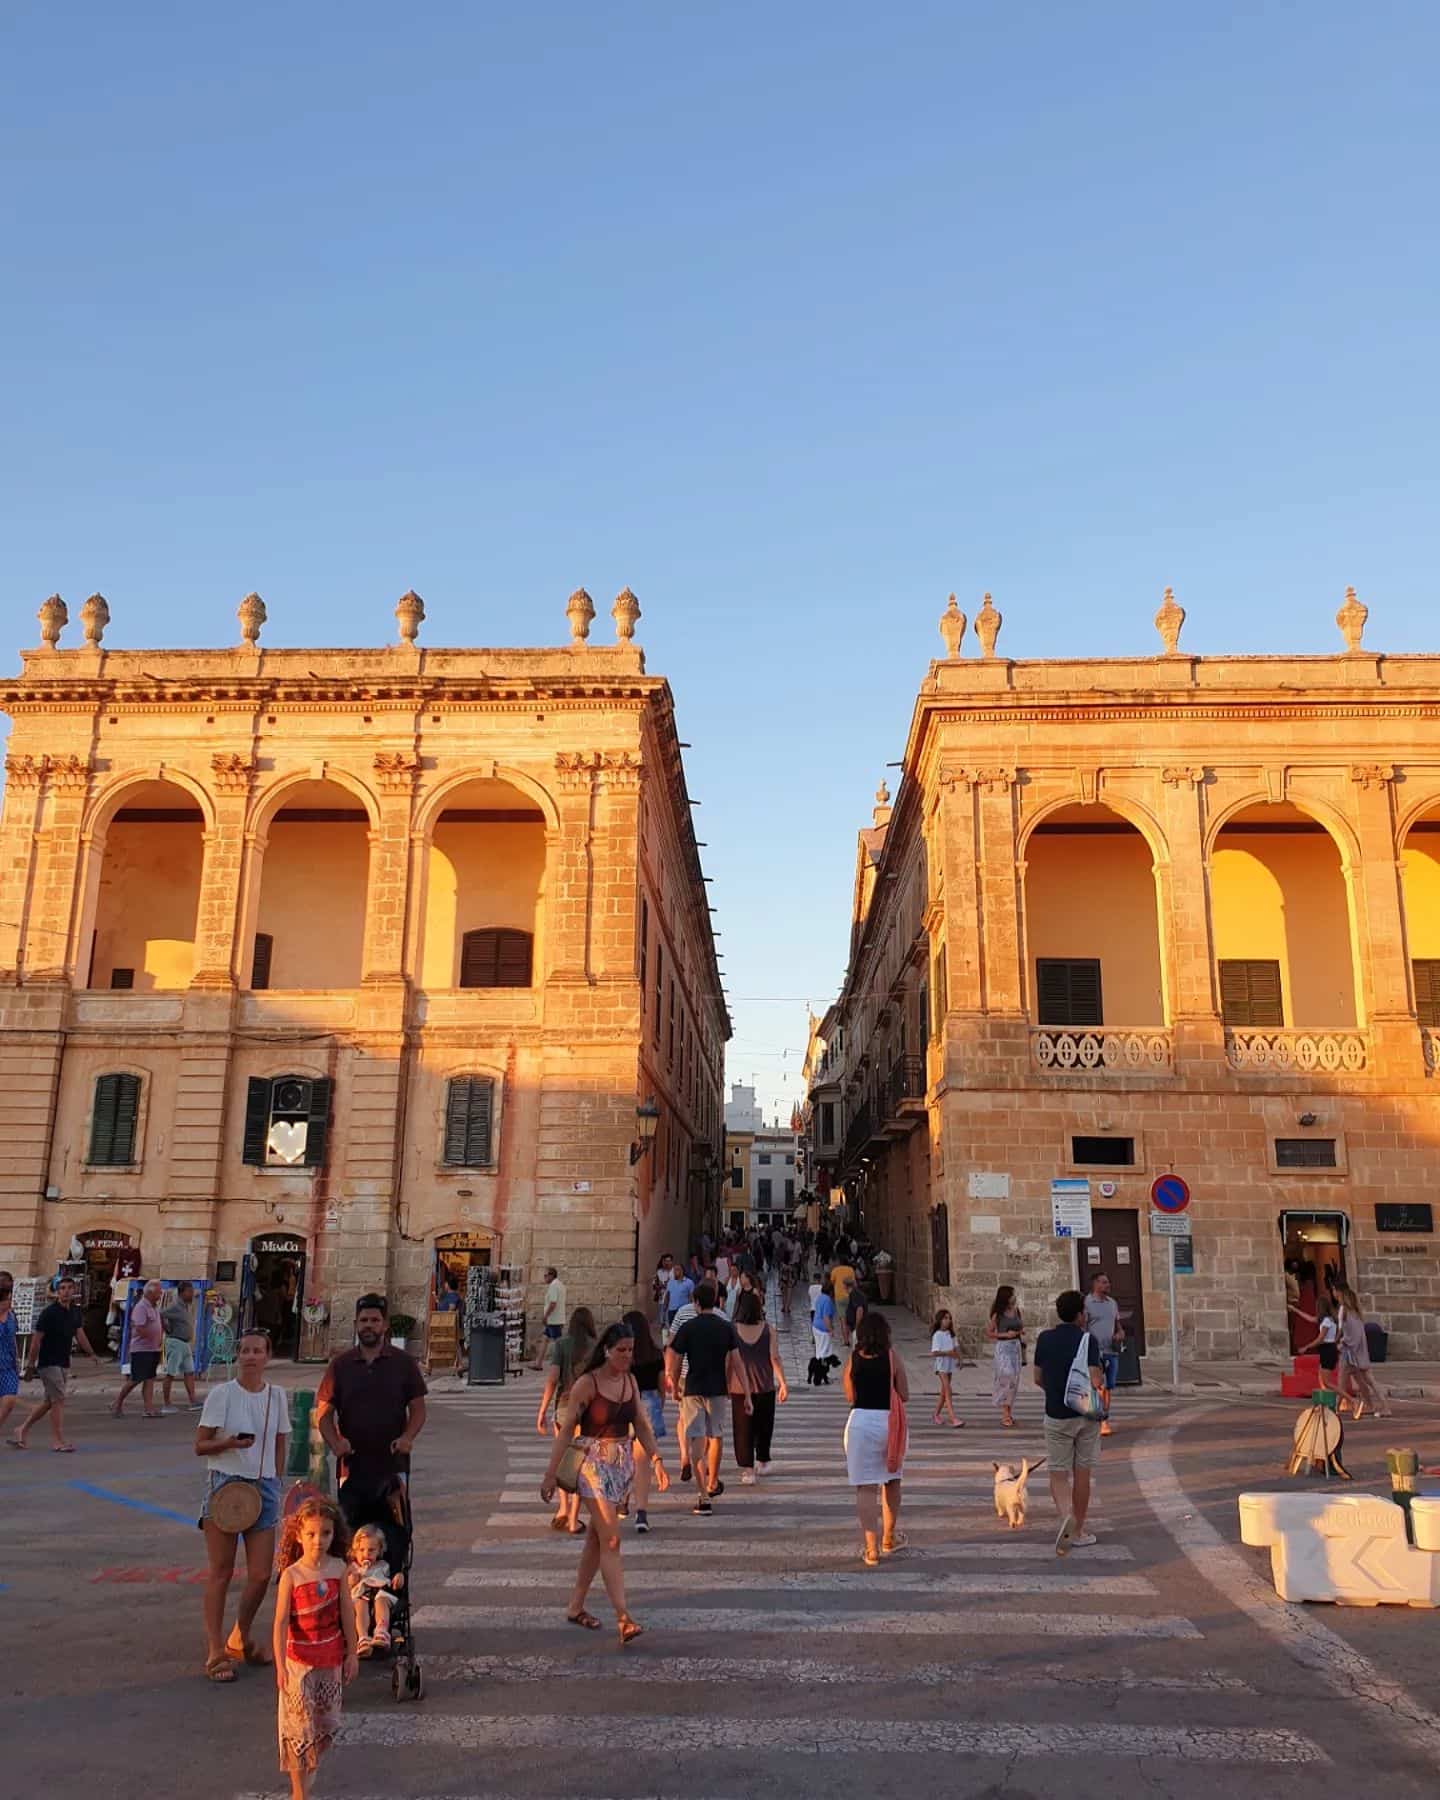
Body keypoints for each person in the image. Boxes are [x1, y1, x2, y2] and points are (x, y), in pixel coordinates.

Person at [540, 1321, 669, 1645]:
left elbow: (640, 1422)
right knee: (611, 1540)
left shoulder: (629, 1382)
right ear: (607, 1351)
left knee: (597, 1540)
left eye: (630, 1350)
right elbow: (568, 1429)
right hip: (592, 1467)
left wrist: (656, 1460)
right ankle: (623, 1617)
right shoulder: (588, 1384)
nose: (627, 1355)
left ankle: (575, 1606)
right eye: (621, 1350)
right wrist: (551, 1474)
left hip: (620, 1464)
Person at [196, 1324, 290, 1682]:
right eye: (245, 1350)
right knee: (220, 1571)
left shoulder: (276, 1396)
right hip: (227, 1486)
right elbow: (199, 1445)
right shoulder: (222, 1394)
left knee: (262, 1574)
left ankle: (242, 1633)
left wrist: (277, 1480)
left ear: (268, 1356)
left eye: (257, 1351)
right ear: (238, 1356)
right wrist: (230, 1444)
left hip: (264, 1486)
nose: (251, 1357)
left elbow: (281, 1440)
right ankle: (215, 1649)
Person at [316, 1294, 429, 1526]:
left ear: (385, 1325)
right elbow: (324, 1415)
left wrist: (407, 1437)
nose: (369, 1325)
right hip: (351, 1467)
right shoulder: (340, 1365)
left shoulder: (404, 1363)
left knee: (395, 1538)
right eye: (364, 1320)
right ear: (356, 1324)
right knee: (351, 1538)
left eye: (375, 1320)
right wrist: (336, 1442)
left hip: (393, 1466)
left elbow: (418, 1409)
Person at [273, 1494, 358, 1799]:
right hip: (299, 1664)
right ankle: (299, 1793)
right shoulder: (292, 1575)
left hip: (329, 1660)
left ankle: (306, 1779)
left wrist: (352, 1652)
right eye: (310, 1534)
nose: (317, 1540)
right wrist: (281, 1665)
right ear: (298, 1535)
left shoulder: (338, 1569)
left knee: (323, 1726)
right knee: (297, 1731)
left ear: (335, 1534)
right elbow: (281, 1621)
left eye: (325, 1533)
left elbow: (347, 1612)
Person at [1033, 1290, 1105, 1555]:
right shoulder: (1088, 1340)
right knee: (1082, 1472)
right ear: (1079, 1315)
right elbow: (1096, 1380)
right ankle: (1079, 1530)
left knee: (1058, 1472)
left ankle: (1066, 1516)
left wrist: (1056, 1391)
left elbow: (1037, 1378)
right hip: (1084, 1415)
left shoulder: (1044, 1339)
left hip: (1056, 1414)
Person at [666, 1282, 746, 1515]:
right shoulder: (725, 1327)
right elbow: (736, 1362)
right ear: (716, 1301)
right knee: (716, 1435)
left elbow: (677, 1358)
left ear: (696, 1302)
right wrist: (746, 1392)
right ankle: (713, 1480)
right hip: (718, 1388)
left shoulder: (689, 1327)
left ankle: (702, 1496)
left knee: (697, 1441)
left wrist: (673, 1386)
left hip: (693, 1388)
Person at [843, 1310, 908, 1567]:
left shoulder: (853, 1359)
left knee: (865, 1487)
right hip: (888, 1423)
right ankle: (889, 1538)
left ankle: (871, 1550)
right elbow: (904, 1393)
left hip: (860, 1423)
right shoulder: (893, 1358)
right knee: (891, 1482)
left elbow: (850, 1395)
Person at [12, 1275, 99, 1451]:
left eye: (69, 1288)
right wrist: (30, 1365)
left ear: (74, 1290)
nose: (66, 1291)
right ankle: (57, 1441)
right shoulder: (49, 1313)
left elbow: (79, 1334)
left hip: (63, 1362)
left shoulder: (75, 1311)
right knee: (59, 1400)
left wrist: (92, 1353)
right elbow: (36, 1341)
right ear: (57, 1292)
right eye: (62, 1288)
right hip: (48, 1362)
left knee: (49, 1401)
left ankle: (21, 1429)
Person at [535, 1305, 597, 1532]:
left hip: (563, 1407)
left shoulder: (561, 1345)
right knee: (580, 1464)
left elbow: (552, 1379)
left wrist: (542, 1410)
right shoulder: (595, 1348)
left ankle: (562, 1508)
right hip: (589, 1410)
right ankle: (573, 1517)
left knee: (564, 1461)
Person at [731, 1289, 788, 1480]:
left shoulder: (733, 1330)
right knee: (764, 1425)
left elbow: (728, 1359)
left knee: (742, 1429)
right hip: (764, 1386)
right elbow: (775, 1358)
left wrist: (725, 1382)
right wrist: (783, 1382)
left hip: (740, 1388)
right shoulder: (768, 1330)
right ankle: (763, 1462)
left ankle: (748, 1470)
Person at [621, 1309, 667, 1533]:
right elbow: (662, 1387)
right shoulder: (657, 1354)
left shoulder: (624, 1356)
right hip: (649, 1404)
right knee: (641, 1461)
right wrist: (659, 1407)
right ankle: (641, 1512)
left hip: (627, 1403)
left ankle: (623, 1501)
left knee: (623, 1457)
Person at [113, 1277, 165, 1418]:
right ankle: (117, 1403)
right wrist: (152, 1337)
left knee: (149, 1378)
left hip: (153, 1348)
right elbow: (139, 1328)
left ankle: (149, 1408)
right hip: (142, 1349)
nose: (160, 1295)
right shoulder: (141, 1307)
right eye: (159, 1293)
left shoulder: (154, 1307)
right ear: (149, 1293)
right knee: (136, 1378)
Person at [347, 1522, 402, 1654]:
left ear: (379, 1551)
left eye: (371, 1550)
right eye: (361, 1550)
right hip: (361, 1594)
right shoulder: (353, 1567)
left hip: (381, 1593)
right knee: (360, 1606)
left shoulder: (383, 1565)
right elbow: (344, 1585)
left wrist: (399, 1577)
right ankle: (363, 1637)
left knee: (381, 1602)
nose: (366, 1554)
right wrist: (350, 1581)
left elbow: (394, 1575)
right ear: (355, 1550)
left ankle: (381, 1631)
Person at [1335, 1284, 1388, 1419]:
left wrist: (1339, 1343)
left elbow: (1344, 1333)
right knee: (1367, 1381)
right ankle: (1377, 1405)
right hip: (1360, 1352)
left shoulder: (1344, 1311)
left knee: (1342, 1382)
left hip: (1350, 1353)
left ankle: (1335, 1409)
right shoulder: (1357, 1313)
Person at [1082, 1272, 1123, 1437]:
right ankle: (1102, 1420)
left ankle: (1103, 1417)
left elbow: (1118, 1325)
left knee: (1108, 1388)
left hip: (1111, 1350)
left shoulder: (1112, 1303)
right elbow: (1082, 1327)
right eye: (1104, 1283)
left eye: (1108, 1282)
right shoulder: (1086, 1303)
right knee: (1099, 1386)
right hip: (1095, 1351)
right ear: (1096, 1284)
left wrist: (1120, 1334)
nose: (1108, 1285)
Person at [987, 1286, 1025, 1428]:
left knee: (1014, 1380)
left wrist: (1020, 1333)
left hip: (1015, 1347)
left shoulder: (1017, 1311)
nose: (1014, 1297)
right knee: (1006, 1377)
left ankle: (1008, 1412)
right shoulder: (998, 1314)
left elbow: (1020, 1327)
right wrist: (1004, 1335)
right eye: (1011, 1295)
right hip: (1003, 1347)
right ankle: (1004, 1413)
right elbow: (989, 1332)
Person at [162, 1281, 201, 1411]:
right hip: (175, 1343)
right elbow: (160, 1314)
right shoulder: (175, 1306)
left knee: (189, 1372)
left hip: (185, 1344)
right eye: (189, 1292)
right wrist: (166, 1328)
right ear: (181, 1293)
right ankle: (167, 1403)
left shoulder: (186, 1306)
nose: (191, 1294)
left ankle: (193, 1401)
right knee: (171, 1373)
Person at [1298, 1296, 1340, 1393]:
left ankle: (1350, 1400)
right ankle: (1326, 1401)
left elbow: (1320, 1339)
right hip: (1328, 1349)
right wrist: (1296, 1310)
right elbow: (1310, 1318)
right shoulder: (1329, 1319)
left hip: (1328, 1350)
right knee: (1321, 1378)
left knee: (1327, 1382)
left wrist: (1306, 1347)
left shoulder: (1326, 1321)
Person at [929, 1308, 962, 1428]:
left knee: (944, 1392)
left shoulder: (951, 1334)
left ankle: (936, 1414)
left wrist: (960, 1359)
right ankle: (953, 1418)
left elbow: (957, 1347)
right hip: (941, 1366)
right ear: (940, 1320)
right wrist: (948, 1353)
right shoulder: (937, 1335)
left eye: (949, 1318)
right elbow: (934, 1353)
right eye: (945, 1318)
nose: (948, 1320)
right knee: (948, 1390)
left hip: (950, 1365)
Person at [0, 1275, 20, 1439]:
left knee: (10, 1401)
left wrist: (17, 1358)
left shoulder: (12, 1317)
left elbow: (13, 1338)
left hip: (8, 1365)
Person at [829, 1254, 857, 1345]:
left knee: (842, 1319)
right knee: (849, 1318)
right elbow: (854, 1283)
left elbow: (832, 1282)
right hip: (850, 1297)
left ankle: (846, 1340)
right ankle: (849, 1336)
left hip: (839, 1297)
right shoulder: (851, 1270)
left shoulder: (835, 1270)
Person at [812, 1275, 838, 1363]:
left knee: (819, 1349)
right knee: (825, 1351)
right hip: (823, 1329)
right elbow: (826, 1317)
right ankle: (822, 1369)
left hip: (816, 1326)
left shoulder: (821, 1297)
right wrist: (830, 1330)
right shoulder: (827, 1300)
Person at [664, 1263, 695, 1329]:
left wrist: (692, 1310)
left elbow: (692, 1297)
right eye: (674, 1270)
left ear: (682, 1271)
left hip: (683, 1311)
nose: (675, 1271)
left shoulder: (689, 1282)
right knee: (672, 1329)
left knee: (682, 1329)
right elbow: (667, 1296)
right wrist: (665, 1308)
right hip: (671, 1311)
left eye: (677, 1269)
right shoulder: (670, 1282)